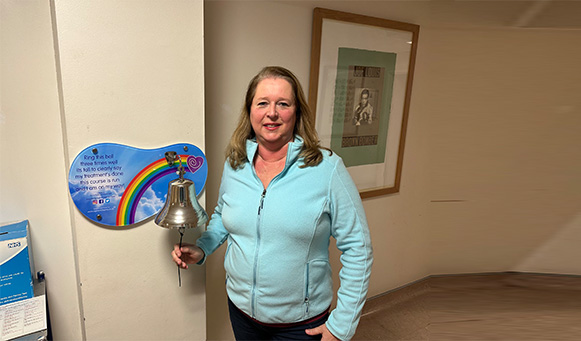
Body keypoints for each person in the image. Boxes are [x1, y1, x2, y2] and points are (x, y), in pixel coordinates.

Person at [172, 66, 373, 340]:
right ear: (250, 111)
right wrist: (203, 248)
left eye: (283, 104)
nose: (272, 113)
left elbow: (358, 248)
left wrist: (342, 325)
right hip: (242, 313)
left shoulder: (327, 169)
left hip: (300, 324)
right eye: (263, 103)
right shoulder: (236, 163)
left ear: (297, 112)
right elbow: (223, 214)